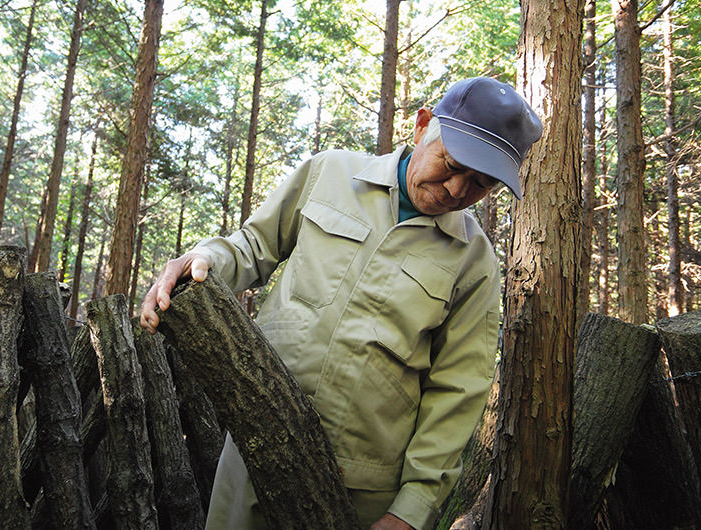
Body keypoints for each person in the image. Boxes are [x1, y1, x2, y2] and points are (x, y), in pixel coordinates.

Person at [140, 76, 542, 530]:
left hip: (361, 488)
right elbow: (253, 245)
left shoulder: (475, 262)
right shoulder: (330, 173)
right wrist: (204, 257)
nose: (456, 190)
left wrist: (410, 510)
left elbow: (458, 389)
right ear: (423, 126)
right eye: (451, 164)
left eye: (480, 183)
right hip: (255, 444)